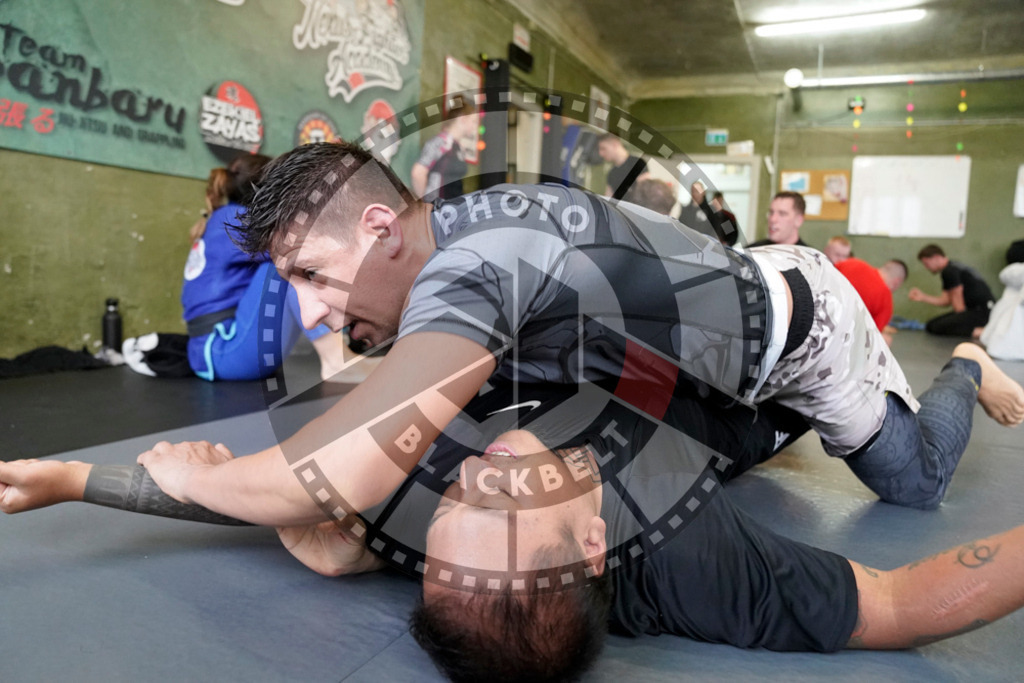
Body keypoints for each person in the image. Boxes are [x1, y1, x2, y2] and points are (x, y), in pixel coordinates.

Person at [119, 141, 1024, 551]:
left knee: (913, 482)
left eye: (316, 276)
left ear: (383, 227)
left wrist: (192, 477)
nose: (315, 312)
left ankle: (962, 367)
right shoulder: (444, 249)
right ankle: (775, 417)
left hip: (805, 329)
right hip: (701, 344)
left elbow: (345, 469)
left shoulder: (474, 269)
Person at [7, 381, 1024, 683]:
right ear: (591, 546)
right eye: (495, 506)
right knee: (915, 471)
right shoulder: (695, 564)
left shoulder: (448, 502)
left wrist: (72, 479)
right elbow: (902, 599)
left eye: (453, 518)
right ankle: (965, 366)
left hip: (611, 331)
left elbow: (277, 494)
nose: (478, 481)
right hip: (767, 379)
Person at [121, 155, 354, 382]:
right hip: (223, 351)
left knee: (285, 263)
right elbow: (301, 248)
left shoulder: (223, 218)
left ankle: (343, 353)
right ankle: (336, 361)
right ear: (267, 191)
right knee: (283, 266)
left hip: (220, 349)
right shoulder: (236, 221)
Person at [910, 244, 996, 338]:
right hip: (981, 310)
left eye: (927, 263)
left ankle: (982, 332)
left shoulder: (949, 271)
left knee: (937, 327)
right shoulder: (952, 267)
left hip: (982, 312)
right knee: (931, 325)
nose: (927, 267)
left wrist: (957, 321)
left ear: (936, 258)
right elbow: (946, 301)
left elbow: (959, 307)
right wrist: (923, 297)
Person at [410, 98, 477, 201]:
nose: (475, 127)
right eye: (473, 121)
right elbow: (418, 172)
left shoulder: (459, 148)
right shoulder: (441, 143)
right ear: (463, 119)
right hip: (438, 209)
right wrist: (425, 205)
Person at [835, 258, 908, 345]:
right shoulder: (886, 299)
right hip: (838, 337)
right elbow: (871, 336)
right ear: (897, 282)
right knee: (886, 340)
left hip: (818, 318)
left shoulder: (853, 263)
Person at [597, 133, 649, 200]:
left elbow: (645, 195)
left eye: (603, 148)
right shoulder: (611, 173)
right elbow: (607, 198)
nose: (600, 153)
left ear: (614, 145)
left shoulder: (638, 164)